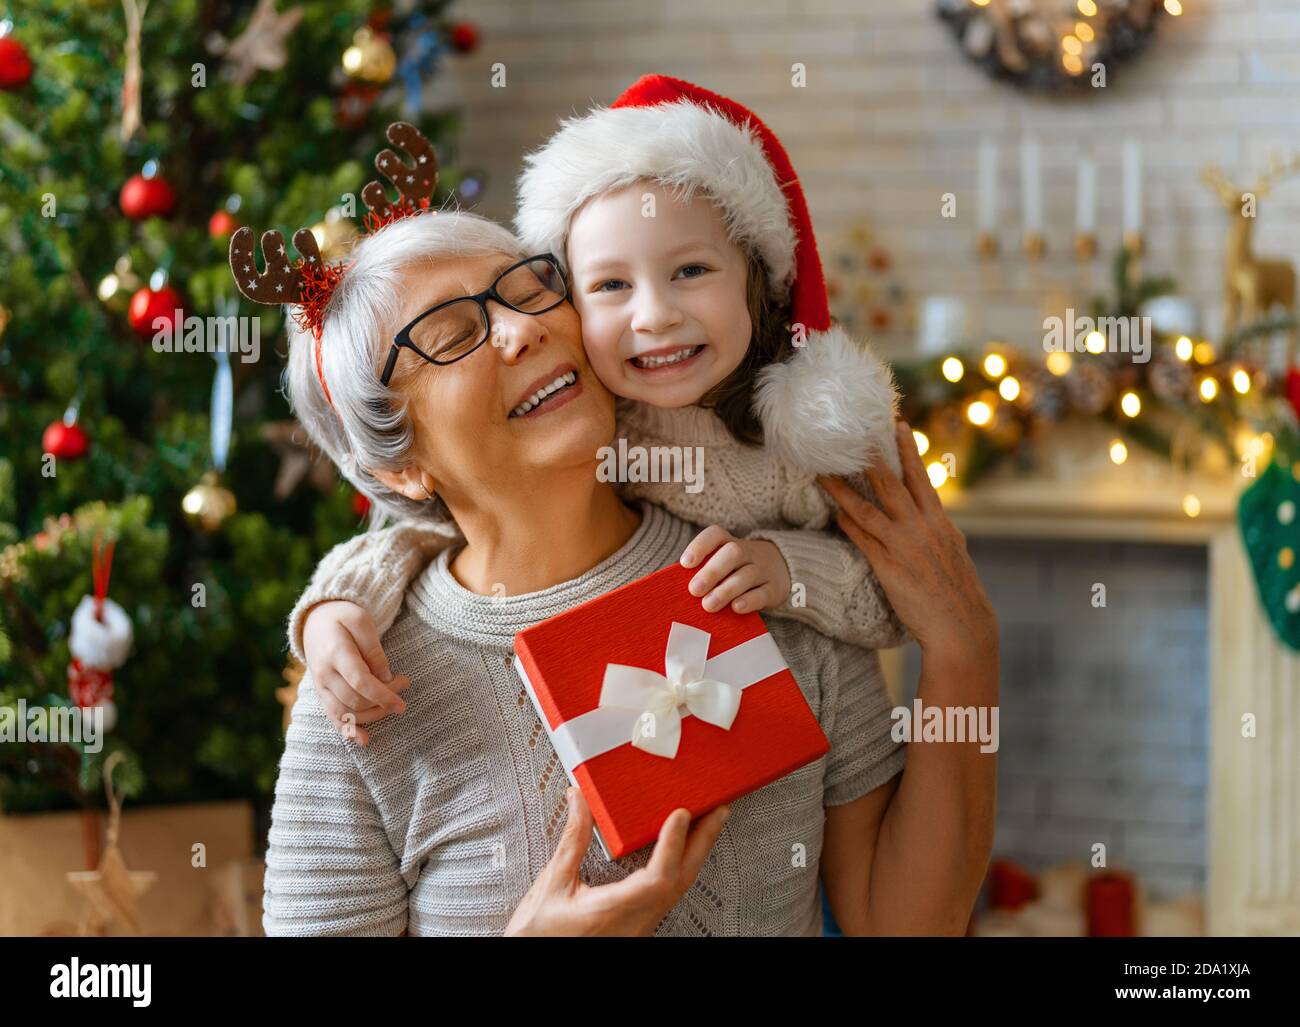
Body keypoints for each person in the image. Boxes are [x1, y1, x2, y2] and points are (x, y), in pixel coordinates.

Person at [248, 195, 997, 934]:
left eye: (527, 287)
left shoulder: (761, 575)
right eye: (449, 334)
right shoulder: (363, 692)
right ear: (401, 465)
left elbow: (907, 925)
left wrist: (966, 650)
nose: (521, 329)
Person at [292, 75, 914, 748]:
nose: (654, 317)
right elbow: (422, 537)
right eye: (611, 285)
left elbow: (902, 598)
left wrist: (791, 572)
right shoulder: (608, 418)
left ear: (755, 281)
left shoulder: (789, 443)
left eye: (526, 289)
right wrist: (333, 609)